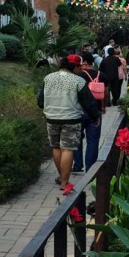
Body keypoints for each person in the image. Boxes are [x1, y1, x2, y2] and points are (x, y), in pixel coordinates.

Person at [37, 54, 101, 190]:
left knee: (56, 147)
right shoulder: (78, 81)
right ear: (75, 67)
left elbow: (40, 101)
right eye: (79, 67)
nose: (80, 70)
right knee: (67, 148)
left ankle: (61, 176)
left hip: (52, 118)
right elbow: (88, 103)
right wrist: (95, 116)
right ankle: (65, 183)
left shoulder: (48, 78)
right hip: (71, 119)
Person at [74, 58, 107, 173]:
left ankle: (77, 165)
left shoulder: (79, 76)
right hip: (96, 110)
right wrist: (104, 106)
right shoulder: (101, 74)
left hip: (80, 111)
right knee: (93, 141)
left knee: (77, 138)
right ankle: (90, 169)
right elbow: (105, 91)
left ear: (85, 63)